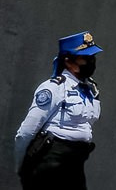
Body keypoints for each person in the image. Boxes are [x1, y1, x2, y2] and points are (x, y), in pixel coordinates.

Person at [14, 31, 103, 189]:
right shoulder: (54, 88)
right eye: (86, 58)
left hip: (75, 163)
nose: (91, 61)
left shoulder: (90, 90)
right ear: (68, 62)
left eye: (92, 57)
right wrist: (21, 165)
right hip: (50, 162)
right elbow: (26, 132)